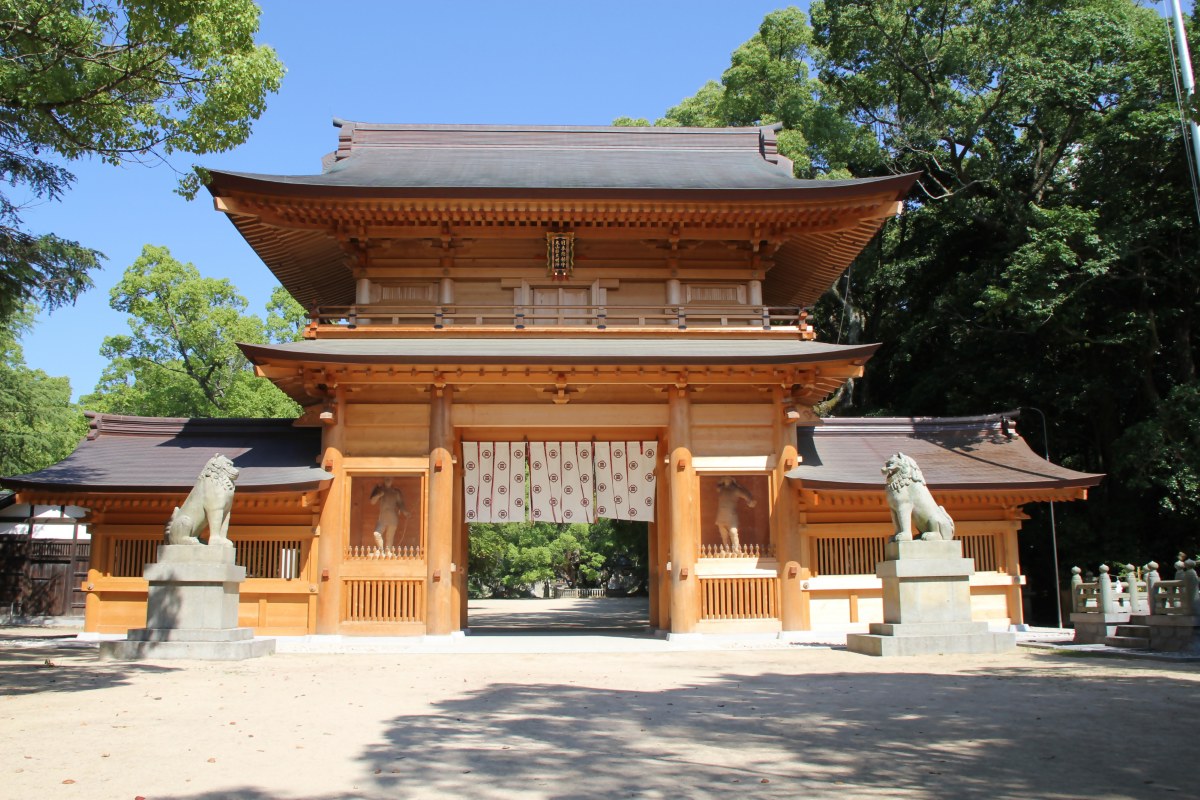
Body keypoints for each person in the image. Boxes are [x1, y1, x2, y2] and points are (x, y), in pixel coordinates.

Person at [715, 477, 756, 552]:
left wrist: (750, 501)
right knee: (724, 535)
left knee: (733, 532)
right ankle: (727, 550)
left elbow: (745, 494)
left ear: (731, 480)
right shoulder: (721, 489)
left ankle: (736, 550)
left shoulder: (736, 490)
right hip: (721, 515)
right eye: (725, 479)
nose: (726, 480)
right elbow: (717, 487)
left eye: (728, 479)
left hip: (731, 515)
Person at [369, 477, 411, 550]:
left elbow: (400, 504)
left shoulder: (396, 492)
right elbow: (372, 502)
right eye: (386, 479)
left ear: (392, 480)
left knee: (389, 537)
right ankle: (381, 550)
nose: (388, 481)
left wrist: (405, 512)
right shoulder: (380, 490)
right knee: (377, 534)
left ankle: (388, 553)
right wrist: (378, 495)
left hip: (392, 517)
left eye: (390, 479)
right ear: (384, 480)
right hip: (382, 517)